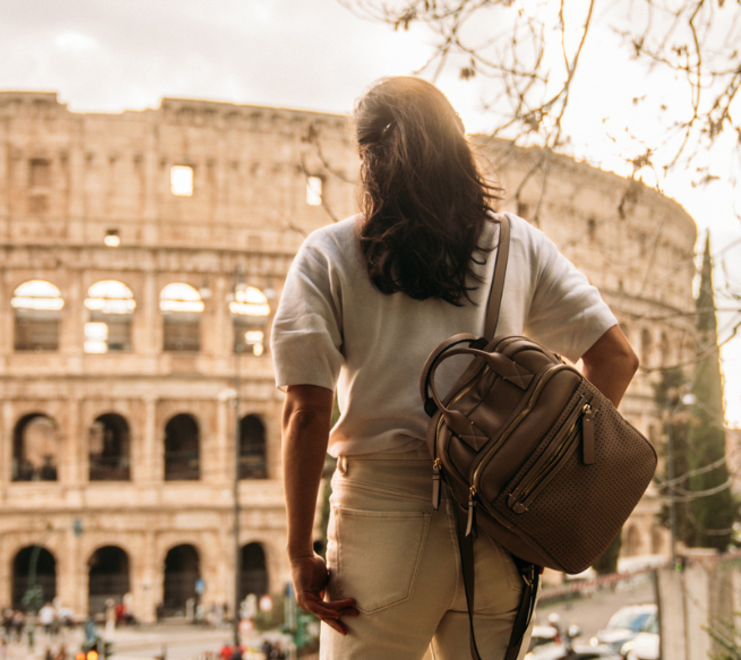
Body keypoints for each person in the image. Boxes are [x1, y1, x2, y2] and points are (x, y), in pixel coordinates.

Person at [271, 76, 639, 660]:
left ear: (368, 158)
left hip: (381, 518)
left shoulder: (328, 255)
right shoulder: (521, 245)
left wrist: (298, 551)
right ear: (459, 148)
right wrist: (555, 474)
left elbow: (307, 411)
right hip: (500, 515)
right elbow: (615, 357)